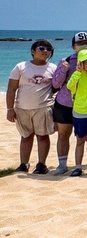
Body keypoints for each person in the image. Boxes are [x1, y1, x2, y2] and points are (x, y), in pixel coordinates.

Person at [50, 32, 87, 175]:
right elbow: (56, 84)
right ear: (73, 46)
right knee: (64, 135)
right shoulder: (66, 60)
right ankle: (63, 165)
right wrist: (64, 69)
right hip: (65, 104)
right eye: (80, 44)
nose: (84, 46)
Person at [6, 39, 57, 174]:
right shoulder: (21, 66)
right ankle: (24, 164)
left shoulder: (53, 68)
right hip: (22, 108)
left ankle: (41, 164)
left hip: (44, 108)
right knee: (26, 137)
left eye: (48, 49)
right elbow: (11, 89)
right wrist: (10, 109)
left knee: (43, 136)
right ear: (33, 51)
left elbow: (58, 87)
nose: (45, 51)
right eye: (41, 48)